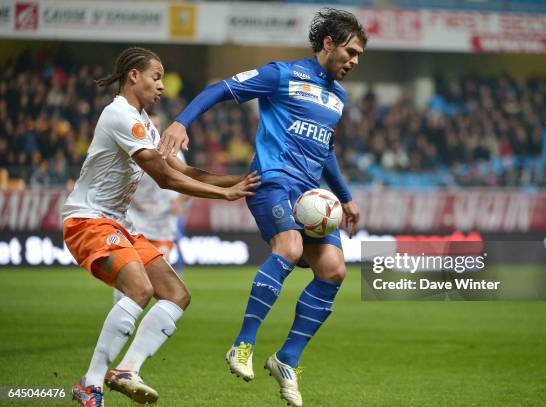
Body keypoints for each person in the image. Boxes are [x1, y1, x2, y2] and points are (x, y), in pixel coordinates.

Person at [159, 8, 366, 406]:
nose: (354, 61)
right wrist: (182, 122)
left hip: (311, 196)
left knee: (334, 271)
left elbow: (325, 150)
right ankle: (242, 344)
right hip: (270, 181)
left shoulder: (338, 97)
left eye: (359, 56)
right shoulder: (282, 74)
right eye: (351, 51)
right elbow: (221, 88)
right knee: (287, 249)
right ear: (328, 44)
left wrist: (346, 196)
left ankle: (287, 359)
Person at [63, 47, 260, 407]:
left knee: (176, 294)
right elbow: (166, 178)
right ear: (133, 76)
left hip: (118, 225)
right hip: (87, 221)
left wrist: (239, 180)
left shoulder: (144, 123)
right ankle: (90, 383)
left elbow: (183, 170)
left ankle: (127, 369)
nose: (162, 86)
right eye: (156, 77)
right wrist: (227, 195)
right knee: (138, 288)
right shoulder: (120, 115)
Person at [113, 117, 189, 305]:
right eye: (148, 125)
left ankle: (154, 328)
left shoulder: (173, 154)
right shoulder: (130, 151)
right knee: (128, 280)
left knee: (167, 289)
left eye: (155, 126)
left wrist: (180, 200)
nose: (151, 128)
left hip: (163, 225)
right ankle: (121, 323)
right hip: (135, 224)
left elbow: (189, 181)